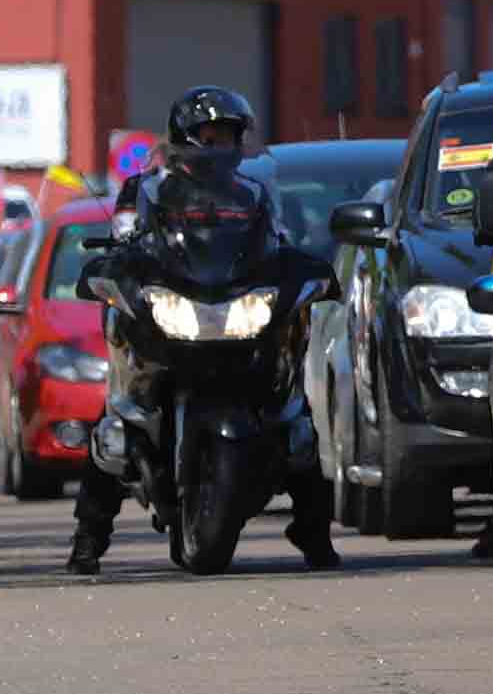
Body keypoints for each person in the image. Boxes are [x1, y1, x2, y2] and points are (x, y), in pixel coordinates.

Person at [70, 86, 339, 575]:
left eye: (228, 136)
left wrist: (305, 266)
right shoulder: (146, 189)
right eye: (209, 135)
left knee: (295, 421)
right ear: (184, 137)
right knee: (117, 420)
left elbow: (275, 241)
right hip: (171, 306)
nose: (219, 146)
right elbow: (127, 234)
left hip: (234, 307)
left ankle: (314, 534)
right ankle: (88, 539)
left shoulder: (254, 194)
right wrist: (115, 260)